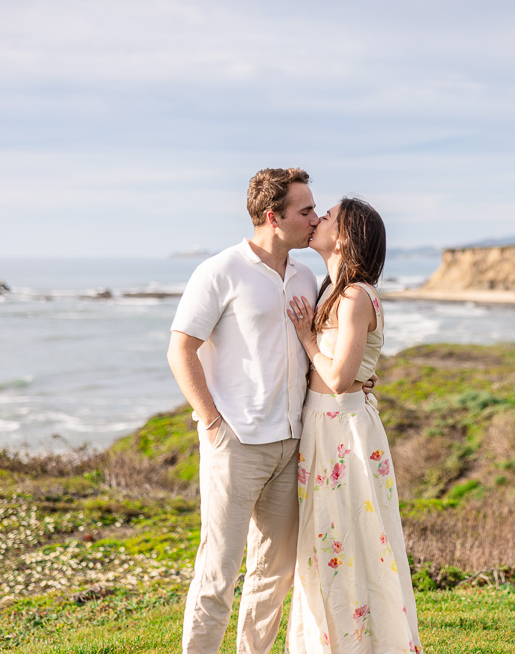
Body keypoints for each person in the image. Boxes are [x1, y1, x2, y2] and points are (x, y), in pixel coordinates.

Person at [167, 167, 320, 653]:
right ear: (273, 217)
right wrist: (212, 422)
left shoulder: (307, 274)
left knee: (273, 576)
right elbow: (180, 349)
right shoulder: (219, 271)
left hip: (292, 443)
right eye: (306, 210)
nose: (315, 218)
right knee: (218, 573)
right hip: (235, 445)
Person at [284, 197, 422, 652]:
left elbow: (342, 378)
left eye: (327, 217)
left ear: (344, 237)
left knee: (351, 542)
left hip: (344, 434)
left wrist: (306, 338)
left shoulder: (355, 295)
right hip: (327, 427)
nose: (317, 219)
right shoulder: (332, 290)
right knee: (329, 545)